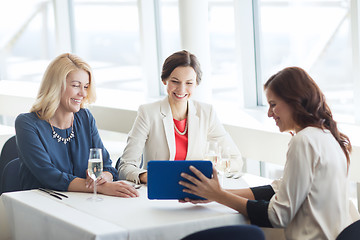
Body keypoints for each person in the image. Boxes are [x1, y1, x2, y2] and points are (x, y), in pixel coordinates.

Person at [179, 67, 354, 239]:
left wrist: (219, 195)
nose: (269, 113)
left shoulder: (303, 141)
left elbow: (278, 216)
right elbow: (277, 188)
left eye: (273, 105)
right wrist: (217, 193)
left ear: (295, 101)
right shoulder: (326, 135)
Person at [15, 53, 139, 198]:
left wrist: (103, 179)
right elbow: (48, 175)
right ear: (56, 86)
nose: (83, 93)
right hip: (42, 205)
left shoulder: (85, 117)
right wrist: (99, 188)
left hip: (82, 202)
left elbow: (107, 166)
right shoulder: (27, 123)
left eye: (86, 86)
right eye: (75, 86)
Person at [118, 50, 241, 184]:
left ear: (196, 84)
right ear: (165, 80)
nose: (181, 90)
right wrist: (147, 177)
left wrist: (207, 170)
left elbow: (235, 160)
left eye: (189, 83)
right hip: (160, 189)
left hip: (196, 191)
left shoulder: (207, 112)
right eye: (175, 81)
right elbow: (125, 166)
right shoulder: (148, 113)